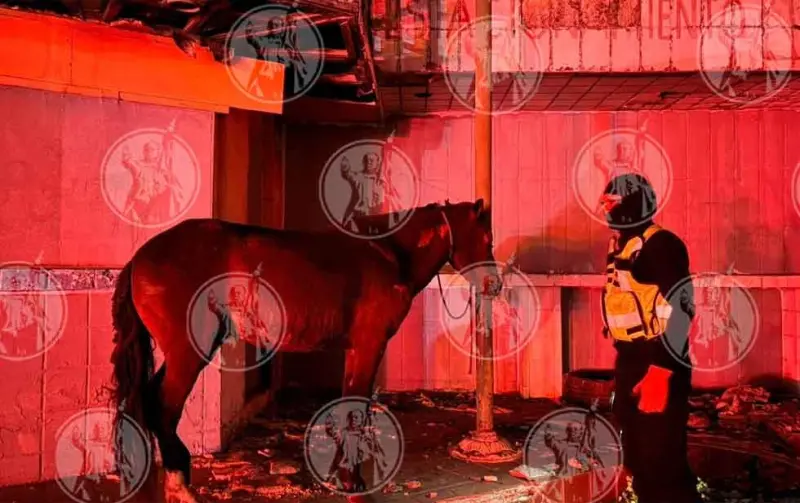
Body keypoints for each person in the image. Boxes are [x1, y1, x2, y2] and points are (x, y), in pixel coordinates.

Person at [599, 173, 701, 503]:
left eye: (611, 202)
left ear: (632, 205)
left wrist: (660, 371)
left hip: (658, 362)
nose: (604, 209)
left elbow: (682, 310)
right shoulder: (623, 246)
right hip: (630, 360)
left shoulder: (661, 245)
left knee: (662, 461)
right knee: (638, 457)